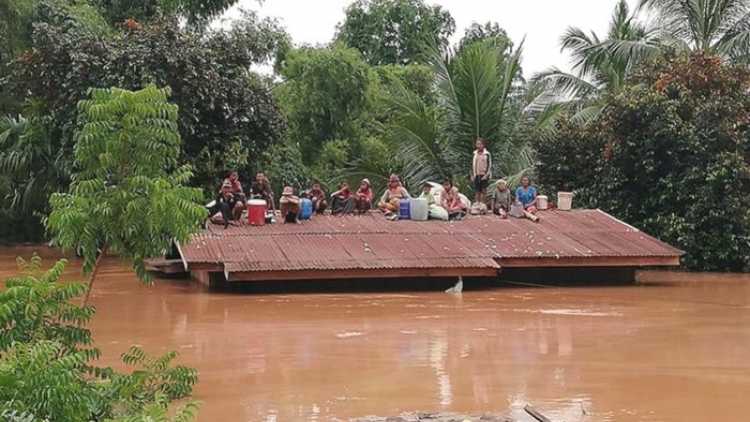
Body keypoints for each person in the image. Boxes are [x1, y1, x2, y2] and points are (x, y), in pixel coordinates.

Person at [470, 138, 492, 206]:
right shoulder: (474, 153)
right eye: (477, 144)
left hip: (484, 174)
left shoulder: (487, 154)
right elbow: (471, 165)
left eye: (480, 144)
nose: (479, 146)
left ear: (483, 145)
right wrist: (472, 175)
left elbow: (489, 165)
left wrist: (486, 175)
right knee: (477, 191)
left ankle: (483, 205)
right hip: (476, 174)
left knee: (484, 191)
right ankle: (477, 204)